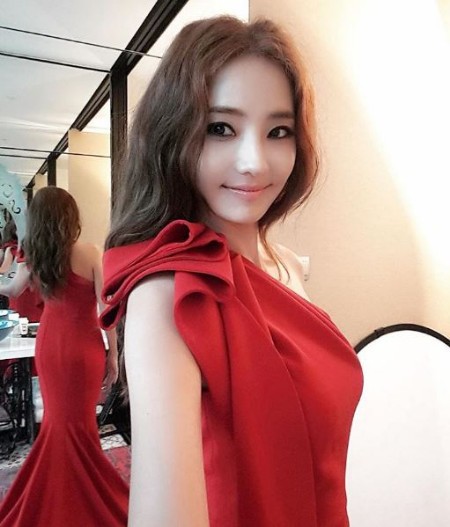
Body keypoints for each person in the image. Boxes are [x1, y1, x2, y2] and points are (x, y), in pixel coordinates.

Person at [100, 15, 363, 527]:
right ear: (174, 133)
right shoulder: (170, 294)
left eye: (278, 131)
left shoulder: (286, 266)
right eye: (221, 128)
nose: (254, 162)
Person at [0, 187, 129, 527]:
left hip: (50, 346)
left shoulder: (35, 254)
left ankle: (57, 495)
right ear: (70, 217)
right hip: (83, 348)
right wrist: (113, 354)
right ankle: (78, 497)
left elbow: (11, 290)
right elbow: (106, 310)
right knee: (80, 424)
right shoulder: (90, 252)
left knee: (58, 422)